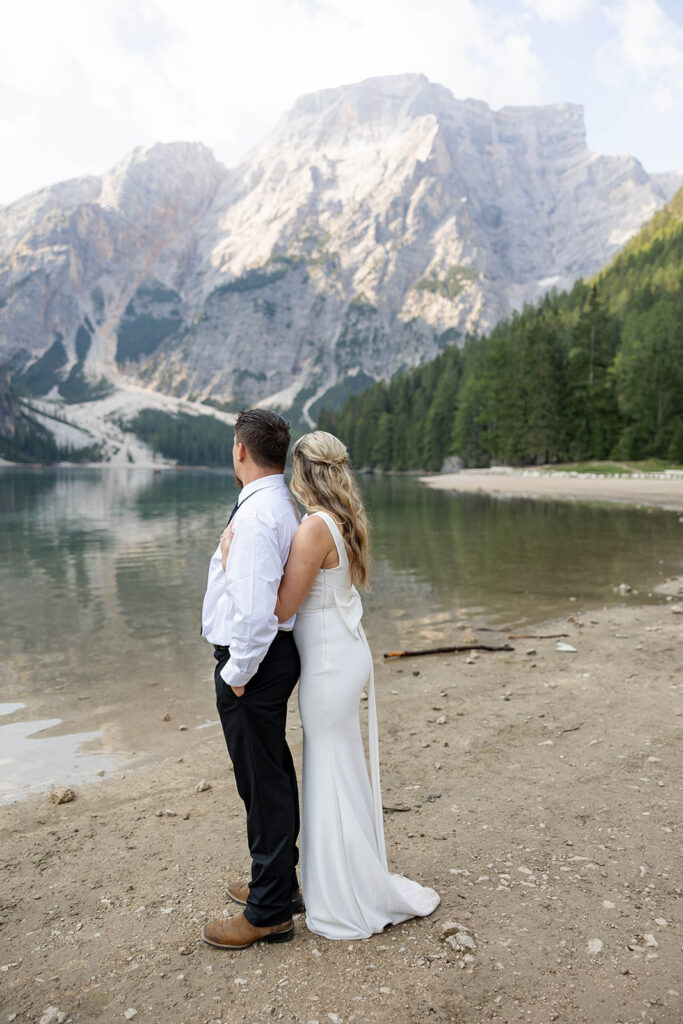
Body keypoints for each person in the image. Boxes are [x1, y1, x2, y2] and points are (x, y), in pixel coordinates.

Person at [223, 430, 440, 940]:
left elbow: (279, 608)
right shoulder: (338, 520)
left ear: (301, 473)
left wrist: (234, 556)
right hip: (341, 656)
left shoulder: (314, 527)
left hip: (327, 666)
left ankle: (342, 895)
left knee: (330, 772)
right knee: (337, 768)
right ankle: (329, 881)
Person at [200, 409, 303, 951]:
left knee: (261, 784)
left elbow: (258, 613)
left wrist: (237, 673)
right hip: (264, 661)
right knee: (271, 774)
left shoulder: (260, 514)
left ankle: (269, 911)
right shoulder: (275, 503)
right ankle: (279, 887)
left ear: (241, 451)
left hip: (252, 666)